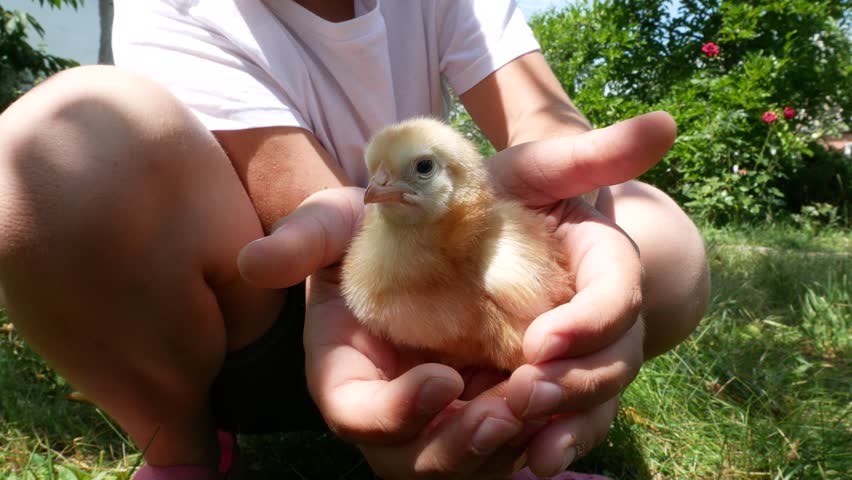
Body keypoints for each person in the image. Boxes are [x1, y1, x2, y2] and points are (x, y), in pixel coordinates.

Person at [0, 0, 710, 479]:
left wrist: (574, 202)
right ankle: (183, 451)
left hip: (424, 304)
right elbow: (317, 208)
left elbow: (542, 122)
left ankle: (517, 410)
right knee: (51, 144)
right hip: (264, 321)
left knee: (657, 241)